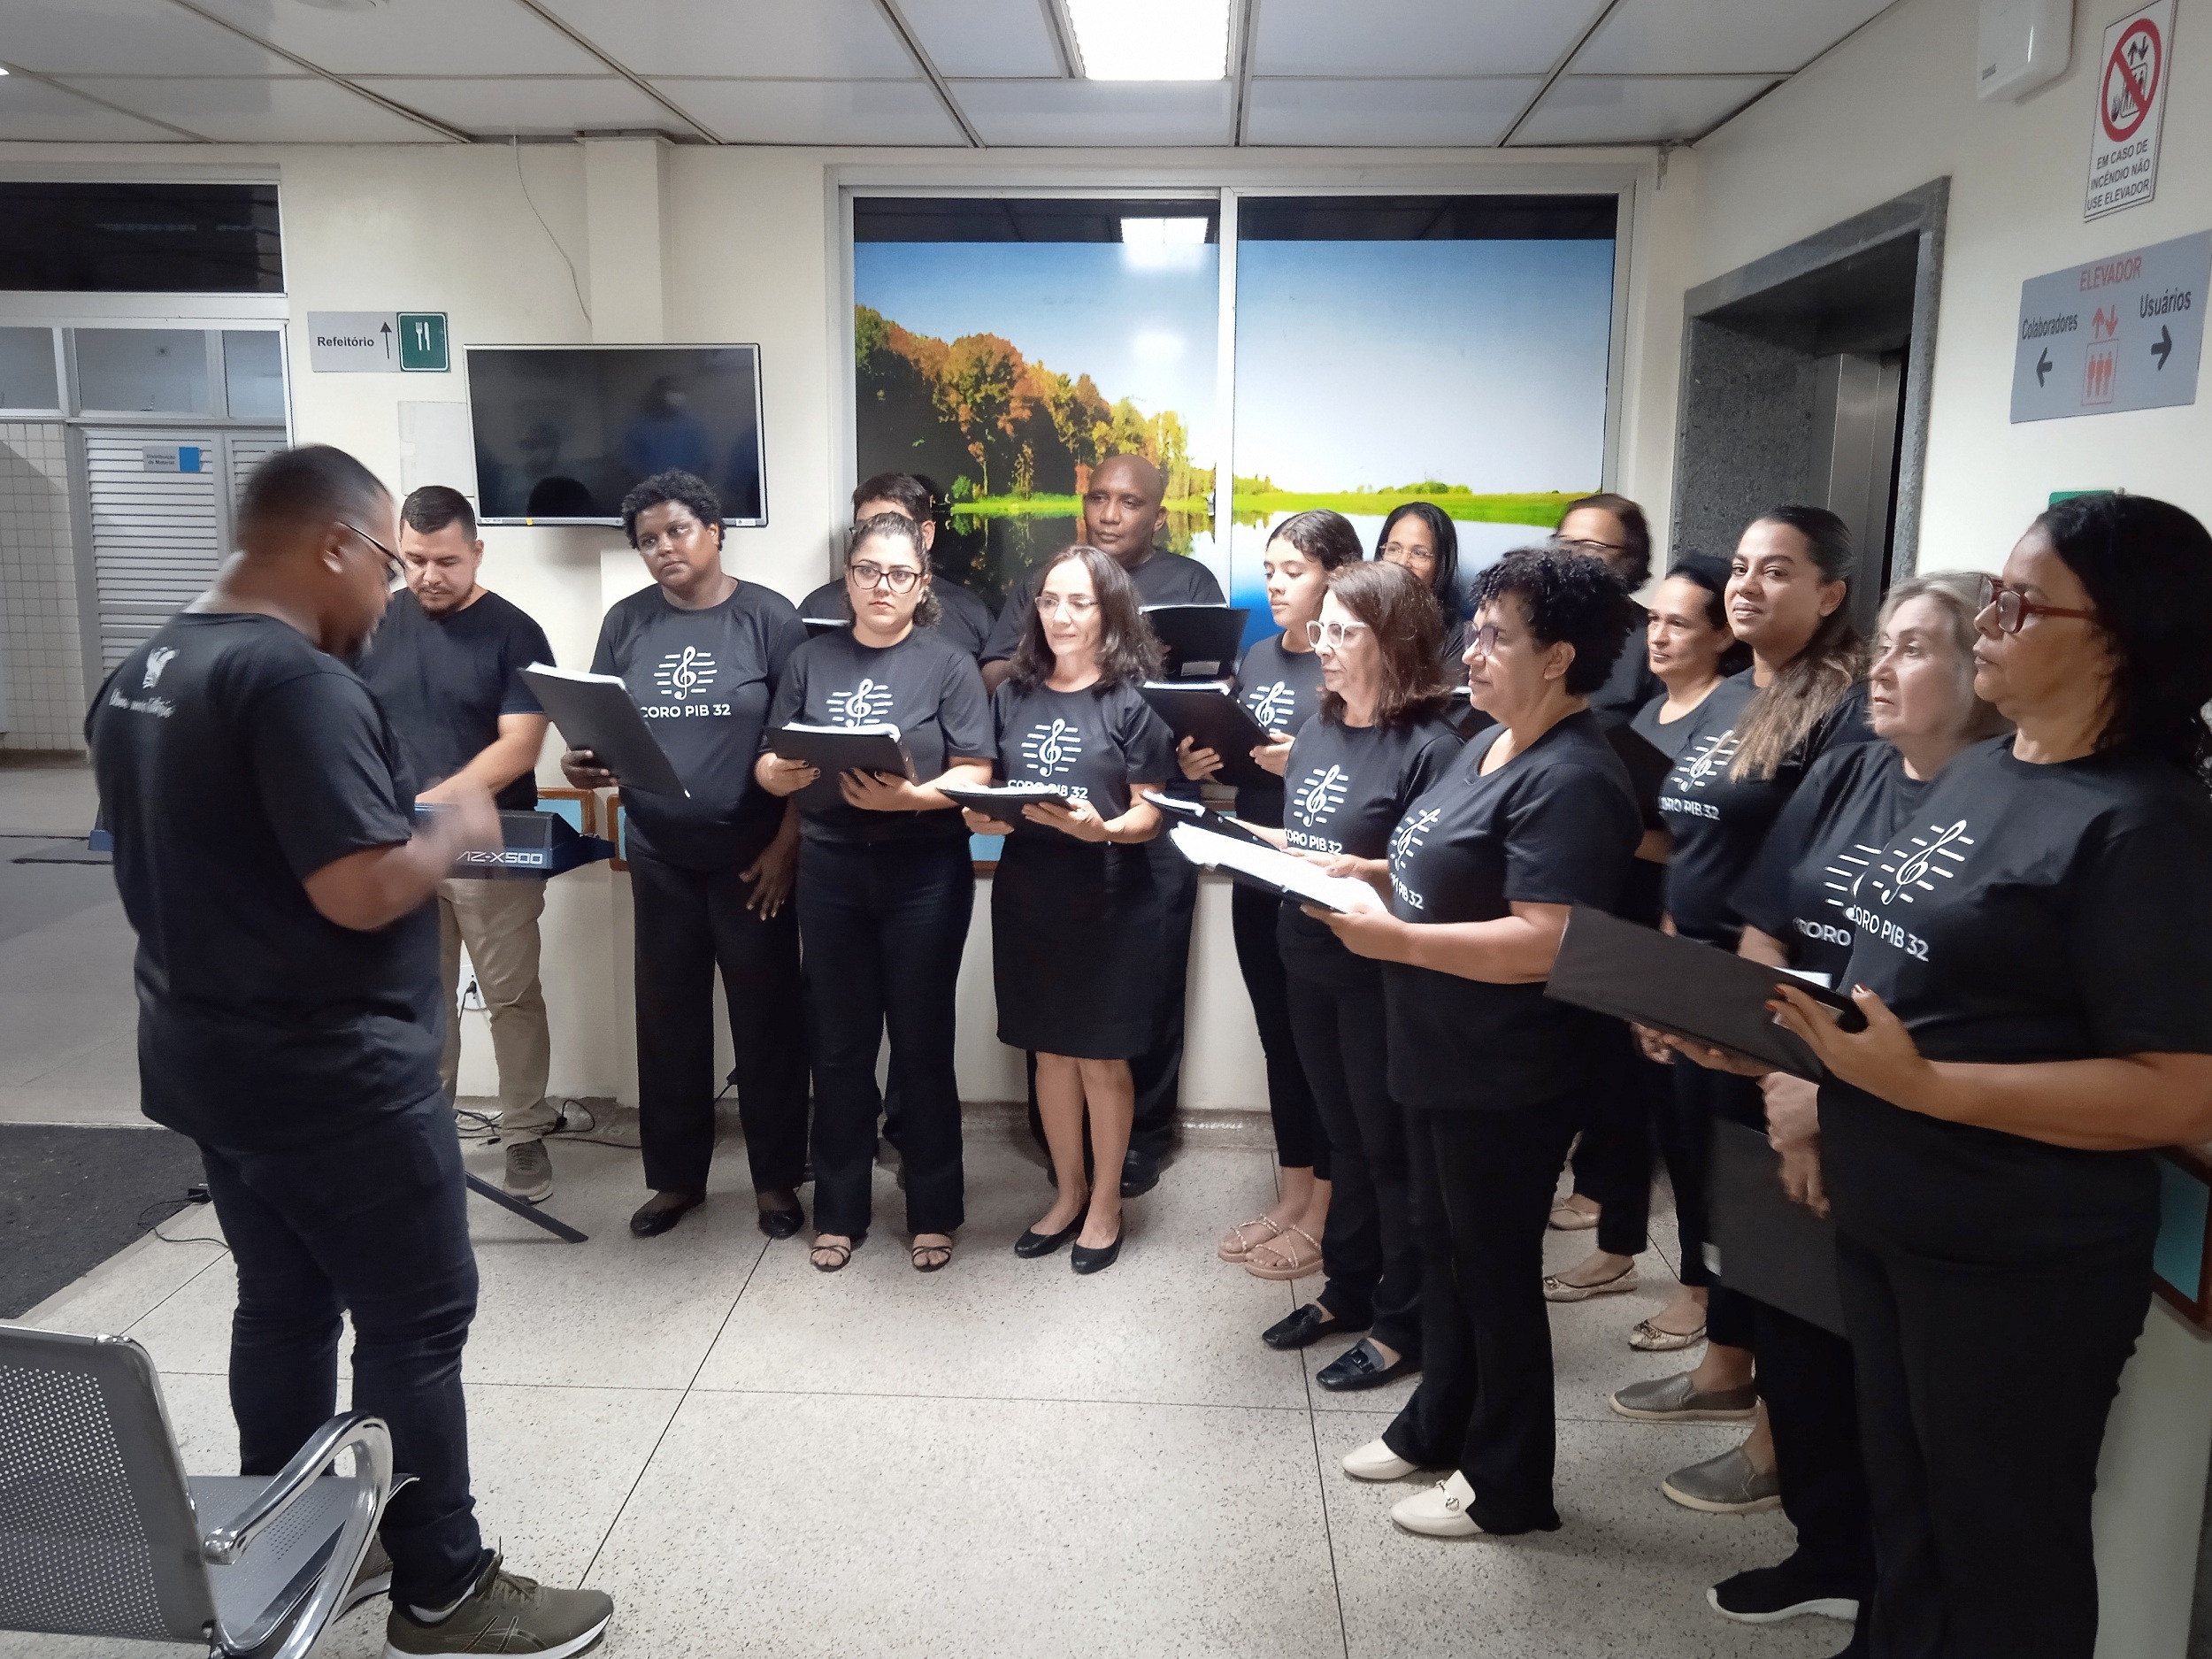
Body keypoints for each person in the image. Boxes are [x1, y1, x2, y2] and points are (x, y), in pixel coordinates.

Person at [85, 444, 613, 1655]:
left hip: (207, 1057)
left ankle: (298, 1536)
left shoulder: (151, 663)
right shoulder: (293, 680)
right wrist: (453, 827)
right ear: (333, 543)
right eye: (384, 561)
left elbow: (193, 850)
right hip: (333, 1074)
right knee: (416, 1318)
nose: (388, 592)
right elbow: (361, 885)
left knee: (281, 1302)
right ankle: (443, 1582)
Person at [1770, 495, 2212, 1657]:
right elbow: (1909, 979)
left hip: (2017, 1254)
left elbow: (2176, 1091)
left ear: (2116, 634)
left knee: (2004, 1549)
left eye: (2018, 603)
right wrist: (1797, 1053)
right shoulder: (1982, 769)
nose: (1987, 625)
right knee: (1907, 1519)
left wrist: (1932, 1090)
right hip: (1894, 1215)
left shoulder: (2145, 827)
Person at [1664, 573, 2003, 1636]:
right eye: (1884, 645)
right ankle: (1825, 1551)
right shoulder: (1853, 769)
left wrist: (1817, 1090)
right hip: (1782, 1088)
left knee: (1880, 1382)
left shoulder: (2004, 799)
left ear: (1978, 674)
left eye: (1913, 649)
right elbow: (1765, 920)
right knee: (1793, 1343)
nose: (1882, 668)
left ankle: (1886, 1585)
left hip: (1888, 1123)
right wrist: (1778, 1072)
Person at [1323, 548, 1640, 1540]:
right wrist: (1368, 868)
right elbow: (1451, 859)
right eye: (1477, 627)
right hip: (1436, 1045)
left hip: (1509, 1069)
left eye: (1499, 635)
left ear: (1559, 657)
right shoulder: (1490, 740)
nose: (1473, 648)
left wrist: (1396, 937)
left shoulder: (1577, 776)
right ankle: (1434, 1427)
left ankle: (1508, 1485)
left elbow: (1545, 940)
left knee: (1493, 1271)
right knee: (1444, 1250)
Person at [1611, 507, 1873, 1528]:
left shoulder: (1837, 709)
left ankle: (1775, 1437)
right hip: (1701, 973)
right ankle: (1724, 1363)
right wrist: (1665, 979)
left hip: (1776, 987)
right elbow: (1689, 849)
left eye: (1778, 572)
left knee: (1772, 1203)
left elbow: (1820, 877)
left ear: (1829, 593)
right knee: (1714, 1182)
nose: (1748, 587)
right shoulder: (1726, 696)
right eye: (1743, 570)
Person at [560, 470, 810, 1240]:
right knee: (668, 1020)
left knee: (767, 1019)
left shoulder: (769, 618)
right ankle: (675, 1179)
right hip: (659, 853)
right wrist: (579, 765)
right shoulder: (626, 621)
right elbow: (596, 729)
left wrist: (785, 846)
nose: (662, 548)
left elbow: (803, 748)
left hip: (751, 857)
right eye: (646, 540)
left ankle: (775, 1178)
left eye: (676, 531)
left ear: (715, 529)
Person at [980, 453, 1224, 1199]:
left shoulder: (1190, 582)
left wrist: (1155, 674)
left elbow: (1216, 691)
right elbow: (995, 669)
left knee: (1139, 995)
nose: (1111, 512)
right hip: (1043, 856)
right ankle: (1068, 1159)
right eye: (1099, 497)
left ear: (1159, 511)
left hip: (1142, 821)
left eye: (1130, 501)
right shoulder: (1043, 587)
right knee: (1054, 1028)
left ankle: (1139, 1142)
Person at [757, 513, 994, 1274]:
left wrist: (912, 799)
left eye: (898, 574)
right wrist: (777, 774)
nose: (880, 586)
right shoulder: (810, 658)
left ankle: (933, 1209)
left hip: (924, 870)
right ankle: (840, 1209)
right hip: (829, 869)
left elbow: (975, 774)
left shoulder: (949, 663)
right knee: (840, 1042)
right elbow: (770, 755)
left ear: (922, 584)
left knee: (922, 1041)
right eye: (867, 570)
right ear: (848, 577)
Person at [1256, 560, 1462, 1389]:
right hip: (1307, 956)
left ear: (1394, 640)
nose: (1323, 646)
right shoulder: (1319, 726)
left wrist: (1363, 870)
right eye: (1322, 629)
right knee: (1342, 1139)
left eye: (1345, 632)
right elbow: (1308, 837)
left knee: (1390, 1150)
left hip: (1382, 973)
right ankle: (1346, 1289)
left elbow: (1435, 876)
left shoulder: (1433, 746)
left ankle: (1400, 1319)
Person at [963, 546, 1175, 1275]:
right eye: (1049, 600)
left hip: (1110, 896)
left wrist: (1104, 828)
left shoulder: (1133, 699)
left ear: (1109, 612)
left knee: (1100, 1057)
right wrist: (982, 817)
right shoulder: (1012, 694)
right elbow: (986, 792)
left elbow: (1152, 817)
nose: (1060, 615)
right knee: (1048, 1051)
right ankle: (1068, 1191)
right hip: (1029, 894)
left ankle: (1108, 1200)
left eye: (1078, 602)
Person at [358, 485, 571, 1203]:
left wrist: (429, 802)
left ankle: (522, 1135)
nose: (427, 575)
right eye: (413, 559)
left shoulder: (516, 632)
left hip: (492, 849)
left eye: (445, 559)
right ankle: (427, 1132)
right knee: (422, 998)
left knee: (510, 994)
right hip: (394, 852)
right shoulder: (373, 621)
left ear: (476, 551)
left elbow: (518, 747)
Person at [1547, 553, 1740, 1301]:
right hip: (1615, 917)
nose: (1656, 636)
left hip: (1676, 921)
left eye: (1679, 623)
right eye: (1653, 619)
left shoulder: (1729, 714)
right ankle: (1617, 1246)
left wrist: (1623, 831)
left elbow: (1708, 840)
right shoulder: (1642, 713)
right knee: (1615, 1098)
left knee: (1679, 1119)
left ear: (1722, 634)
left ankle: (1699, 1292)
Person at [1179, 510, 1359, 1279]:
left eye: (1295, 569)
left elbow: (1365, 780)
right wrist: (1200, 766)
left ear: (1338, 575)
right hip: (1256, 868)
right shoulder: (1257, 654)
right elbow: (1239, 765)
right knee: (1279, 1043)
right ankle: (1292, 1195)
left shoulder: (1350, 664)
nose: (1278, 582)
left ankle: (1329, 1208)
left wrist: (1305, 766)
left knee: (1326, 1055)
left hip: (1322, 881)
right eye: (1272, 566)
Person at [798, 472, 997, 659]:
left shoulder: (970, 613)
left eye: (894, 527)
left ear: (926, 534)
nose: (876, 538)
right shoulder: (818, 608)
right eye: (864, 529)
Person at [1554, 491, 1663, 718]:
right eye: (1566, 543)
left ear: (1629, 559)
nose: (1572, 557)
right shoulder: (1534, 629)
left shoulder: (1654, 641)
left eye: (1591, 546)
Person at [1375, 501, 1465, 681]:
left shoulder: (1456, 637)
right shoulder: (1358, 619)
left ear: (1440, 565)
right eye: (1394, 549)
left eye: (1419, 553)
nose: (1402, 563)